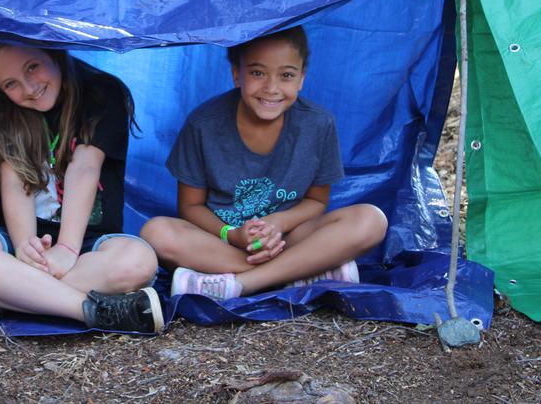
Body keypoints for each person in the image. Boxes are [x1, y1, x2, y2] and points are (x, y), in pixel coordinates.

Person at [0, 42, 163, 334]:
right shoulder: (6, 111)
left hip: (86, 248)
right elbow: (15, 181)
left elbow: (84, 168)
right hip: (18, 248)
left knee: (139, 262)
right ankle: (94, 311)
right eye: (11, 83)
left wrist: (66, 249)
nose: (28, 88)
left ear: (53, 52)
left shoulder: (101, 92)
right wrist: (27, 247)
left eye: (32, 67)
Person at [140, 27, 388, 301]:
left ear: (302, 78)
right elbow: (190, 207)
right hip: (222, 241)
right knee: (156, 232)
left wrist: (276, 223)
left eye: (287, 75)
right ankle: (304, 272)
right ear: (237, 74)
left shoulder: (318, 124)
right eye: (257, 73)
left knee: (371, 220)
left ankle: (241, 284)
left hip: (288, 239)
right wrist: (233, 235)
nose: (271, 88)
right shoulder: (203, 125)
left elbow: (317, 202)